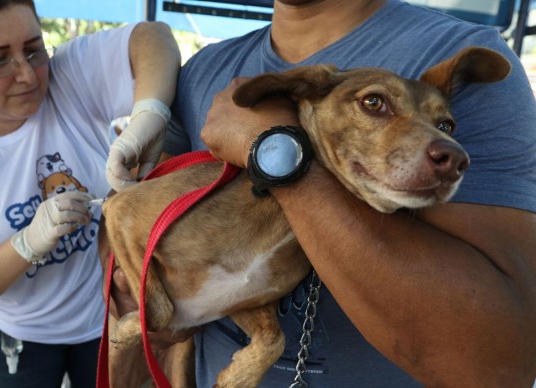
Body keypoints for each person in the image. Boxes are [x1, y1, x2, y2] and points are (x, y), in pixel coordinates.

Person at [107, 0, 536, 386]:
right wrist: (135, 302)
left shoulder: (457, 52)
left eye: (444, 127)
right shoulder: (206, 69)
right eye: (374, 104)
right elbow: (125, 238)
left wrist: (275, 149)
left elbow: (501, 368)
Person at [0, 0, 180, 386]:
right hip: (18, 334)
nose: (28, 76)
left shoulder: (67, 77)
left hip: (106, 317)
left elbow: (153, 37)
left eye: (34, 49)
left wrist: (149, 114)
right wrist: (27, 243)